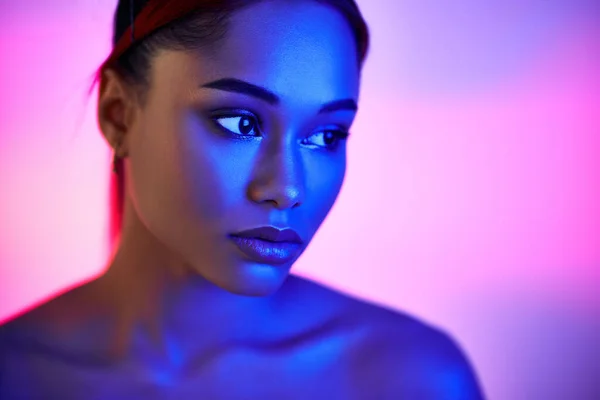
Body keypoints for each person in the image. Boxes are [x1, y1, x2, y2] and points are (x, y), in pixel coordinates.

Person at [0, 0, 485, 398]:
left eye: (326, 135)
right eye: (241, 124)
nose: (287, 189)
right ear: (119, 115)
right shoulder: (15, 375)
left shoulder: (409, 377)